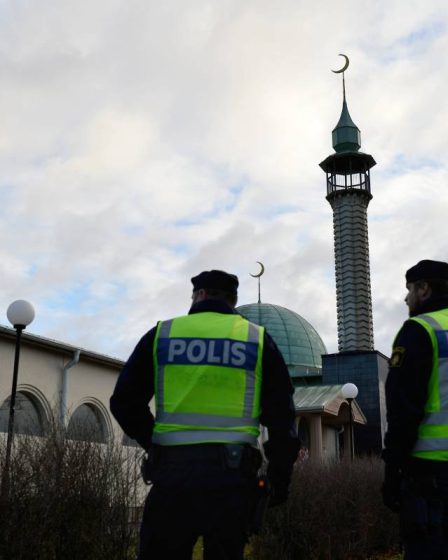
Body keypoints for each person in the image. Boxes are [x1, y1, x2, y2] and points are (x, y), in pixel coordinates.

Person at [110, 269, 299, 560]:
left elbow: (124, 402)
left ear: (198, 296)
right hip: (231, 481)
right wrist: (279, 478)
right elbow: (283, 417)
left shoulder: (163, 334)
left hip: (173, 478)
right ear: (233, 300)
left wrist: (154, 443)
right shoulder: (257, 340)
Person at [382, 259, 448, 560]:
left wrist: (393, 471)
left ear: (424, 289)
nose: (405, 298)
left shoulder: (421, 330)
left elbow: (404, 409)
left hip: (431, 474)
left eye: (409, 289)